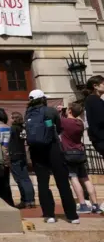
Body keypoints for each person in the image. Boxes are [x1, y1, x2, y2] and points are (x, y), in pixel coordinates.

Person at [25, 89, 79, 224]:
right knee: (62, 182)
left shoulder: (28, 113)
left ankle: (49, 214)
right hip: (53, 148)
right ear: (43, 99)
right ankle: (72, 216)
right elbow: (59, 128)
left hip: (36, 150)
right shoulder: (51, 111)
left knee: (43, 183)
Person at [60, 102, 102, 214]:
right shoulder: (80, 122)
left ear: (69, 111)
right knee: (85, 178)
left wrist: (60, 112)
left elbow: (58, 122)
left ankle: (83, 204)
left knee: (74, 178)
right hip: (80, 152)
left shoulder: (64, 122)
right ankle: (95, 205)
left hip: (68, 153)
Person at [9, 112, 35, 209]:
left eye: (11, 118)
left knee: (20, 179)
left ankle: (26, 200)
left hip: (15, 155)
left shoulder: (13, 128)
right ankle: (30, 200)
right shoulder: (23, 128)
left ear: (14, 119)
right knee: (26, 178)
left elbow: (10, 142)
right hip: (22, 154)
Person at [84, 75, 104, 157]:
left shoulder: (93, 100)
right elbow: (101, 119)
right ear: (95, 86)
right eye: (103, 84)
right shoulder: (94, 100)